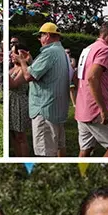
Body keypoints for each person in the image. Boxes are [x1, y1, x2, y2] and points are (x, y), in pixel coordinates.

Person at [14, 22, 70, 157]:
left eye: (41, 36)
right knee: (56, 147)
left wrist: (21, 61)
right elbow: (45, 74)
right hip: (56, 109)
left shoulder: (49, 52)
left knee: (44, 153)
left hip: (44, 110)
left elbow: (28, 76)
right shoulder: (60, 51)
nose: (39, 39)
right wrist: (31, 62)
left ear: (48, 35)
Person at [74, 19, 108, 157]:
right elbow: (92, 77)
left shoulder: (87, 48)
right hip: (94, 109)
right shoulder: (105, 50)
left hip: (82, 106)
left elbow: (79, 76)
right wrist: (103, 109)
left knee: (86, 149)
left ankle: (81, 176)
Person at [9, 43, 32, 157]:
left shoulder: (25, 68)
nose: (11, 55)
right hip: (11, 102)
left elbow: (13, 84)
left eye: (13, 52)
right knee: (12, 134)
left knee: (20, 136)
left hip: (18, 103)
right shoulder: (13, 68)